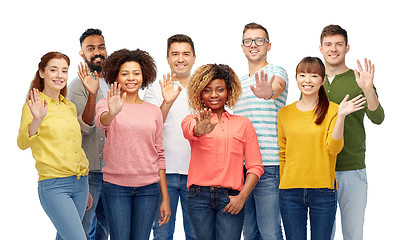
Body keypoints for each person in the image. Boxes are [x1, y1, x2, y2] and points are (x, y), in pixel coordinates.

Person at [278, 56, 366, 240]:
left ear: (323, 80)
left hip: (323, 191)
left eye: (313, 76)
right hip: (290, 191)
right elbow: (283, 153)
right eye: (302, 75)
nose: (307, 80)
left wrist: (341, 116)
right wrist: (283, 184)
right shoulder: (285, 113)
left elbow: (333, 149)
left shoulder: (334, 110)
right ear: (296, 79)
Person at [94, 48, 171, 240]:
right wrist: (113, 112)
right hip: (116, 186)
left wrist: (166, 198)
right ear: (116, 77)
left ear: (144, 76)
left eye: (136, 73)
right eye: (125, 73)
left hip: (148, 188)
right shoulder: (107, 103)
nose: (131, 78)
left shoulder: (153, 111)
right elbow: (101, 121)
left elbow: (159, 154)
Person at [181, 64, 264, 240]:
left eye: (220, 89)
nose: (213, 95)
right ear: (199, 93)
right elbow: (190, 130)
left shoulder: (243, 124)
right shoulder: (192, 119)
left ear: (229, 91)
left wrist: (242, 197)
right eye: (207, 90)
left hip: (231, 198)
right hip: (199, 198)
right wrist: (199, 129)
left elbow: (255, 167)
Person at [318, 25, 385, 240]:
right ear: (321, 48)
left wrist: (367, 89)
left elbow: (378, 118)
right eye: (328, 44)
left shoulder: (358, 80)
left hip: (352, 169)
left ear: (347, 48)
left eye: (338, 44)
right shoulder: (312, 80)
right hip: (320, 170)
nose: (333, 49)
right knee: (323, 234)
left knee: (353, 234)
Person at [17, 52, 90, 240]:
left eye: (64, 71)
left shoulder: (69, 107)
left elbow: (76, 147)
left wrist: (85, 186)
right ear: (42, 73)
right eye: (53, 70)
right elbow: (22, 143)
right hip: (54, 185)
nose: (60, 75)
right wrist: (37, 120)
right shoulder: (34, 105)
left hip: (81, 183)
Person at [232, 22, 288, 240]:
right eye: (248, 41)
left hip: (268, 165)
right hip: (241, 166)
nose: (253, 45)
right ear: (242, 46)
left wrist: (267, 92)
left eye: (259, 40)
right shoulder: (237, 83)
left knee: (271, 232)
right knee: (249, 233)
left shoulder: (275, 72)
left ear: (268, 45)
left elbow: (277, 87)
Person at [144, 34, 196, 240]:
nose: (180, 59)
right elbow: (149, 127)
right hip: (162, 175)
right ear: (167, 58)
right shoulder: (155, 89)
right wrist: (166, 102)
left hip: (197, 175)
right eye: (175, 54)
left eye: (186, 54)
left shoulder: (204, 89)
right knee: (162, 234)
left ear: (194, 57)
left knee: (197, 234)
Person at [67, 28, 109, 240]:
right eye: (90, 48)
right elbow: (84, 127)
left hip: (113, 172)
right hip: (89, 172)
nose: (97, 52)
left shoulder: (115, 83)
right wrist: (92, 94)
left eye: (101, 47)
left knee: (103, 230)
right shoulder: (77, 86)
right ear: (82, 53)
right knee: (82, 229)